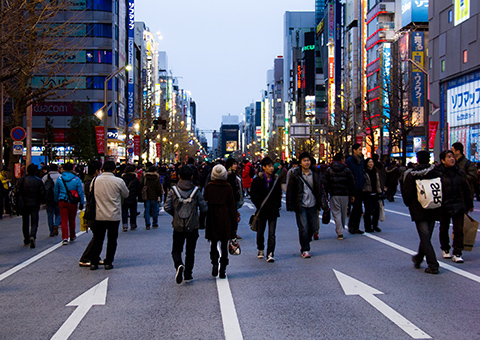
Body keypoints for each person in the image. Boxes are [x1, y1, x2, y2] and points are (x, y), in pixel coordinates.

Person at [165, 166, 207, 284]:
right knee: (190, 250)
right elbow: (204, 207)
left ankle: (179, 264)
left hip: (178, 225)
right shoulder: (196, 191)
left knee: (176, 250)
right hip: (192, 225)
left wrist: (176, 215)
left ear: (179, 176)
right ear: (192, 177)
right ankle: (188, 274)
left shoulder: (173, 190)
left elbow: (167, 207)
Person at [403, 150, 442, 274]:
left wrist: (409, 203)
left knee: (424, 236)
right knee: (426, 235)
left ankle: (433, 264)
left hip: (418, 208)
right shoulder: (436, 172)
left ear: (418, 159)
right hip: (433, 205)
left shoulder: (411, 174)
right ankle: (419, 257)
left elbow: (407, 193)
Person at [286, 152, 327, 258]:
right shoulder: (295, 174)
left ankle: (306, 241)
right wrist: (290, 204)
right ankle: (305, 249)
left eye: (308, 160)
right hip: (301, 204)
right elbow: (290, 190)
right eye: (304, 160)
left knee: (313, 227)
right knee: (303, 227)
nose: (307, 162)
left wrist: (324, 203)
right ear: (300, 162)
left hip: (313, 203)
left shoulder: (316, 173)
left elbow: (320, 189)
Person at [89, 161, 129, 270]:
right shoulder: (118, 181)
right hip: (113, 214)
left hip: (99, 213)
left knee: (98, 239)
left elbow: (91, 192)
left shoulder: (95, 180)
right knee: (112, 239)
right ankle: (108, 262)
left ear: (102, 169)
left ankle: (93, 262)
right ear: (114, 169)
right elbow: (126, 194)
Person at [437, 150, 474, 263]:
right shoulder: (438, 173)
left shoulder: (460, 172)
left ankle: (457, 252)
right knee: (444, 228)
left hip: (458, 204)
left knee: (458, 229)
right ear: (443, 160)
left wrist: (469, 204)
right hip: (444, 205)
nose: (452, 159)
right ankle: (445, 249)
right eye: (448, 157)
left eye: (452, 156)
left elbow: (466, 189)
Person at [203, 164, 238, 279]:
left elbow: (204, 204)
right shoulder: (228, 187)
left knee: (213, 243)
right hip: (225, 217)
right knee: (224, 244)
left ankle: (214, 263)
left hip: (212, 217)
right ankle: (223, 267)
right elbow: (232, 207)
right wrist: (234, 224)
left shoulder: (209, 187)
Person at [250, 157, 282, 262]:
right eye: (269, 166)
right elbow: (253, 195)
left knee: (272, 233)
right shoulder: (257, 180)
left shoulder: (276, 180)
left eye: (272, 166)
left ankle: (270, 253)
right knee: (260, 231)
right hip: (262, 209)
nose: (271, 168)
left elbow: (279, 194)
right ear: (263, 167)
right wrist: (259, 205)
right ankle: (260, 249)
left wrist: (277, 205)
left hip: (273, 210)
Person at [324, 153, 355, 239]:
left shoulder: (329, 170)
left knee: (336, 212)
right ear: (342, 159)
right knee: (343, 212)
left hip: (334, 194)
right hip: (345, 194)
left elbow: (326, 183)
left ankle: (339, 231)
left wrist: (326, 194)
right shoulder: (347, 170)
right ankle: (342, 229)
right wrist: (352, 194)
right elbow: (351, 183)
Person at [79, 160, 102, 267]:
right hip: (93, 212)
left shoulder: (89, 180)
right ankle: (85, 257)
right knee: (97, 236)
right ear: (96, 170)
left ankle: (95, 256)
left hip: (93, 210)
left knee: (98, 235)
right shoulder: (91, 182)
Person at [54, 162, 84, 245]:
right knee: (72, 219)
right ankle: (72, 235)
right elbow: (80, 192)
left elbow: (56, 190)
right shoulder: (76, 179)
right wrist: (82, 202)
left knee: (63, 220)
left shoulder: (60, 179)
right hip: (73, 201)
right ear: (73, 168)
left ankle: (64, 237)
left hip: (62, 200)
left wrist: (56, 200)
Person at [17, 164, 46, 248]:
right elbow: (42, 193)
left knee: (25, 222)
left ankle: (26, 239)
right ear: (35, 171)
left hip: (24, 203)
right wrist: (41, 201)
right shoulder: (38, 181)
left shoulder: (22, 180)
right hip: (34, 203)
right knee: (34, 222)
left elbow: (17, 192)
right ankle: (32, 235)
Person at [345, 143, 365, 234]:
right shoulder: (349, 161)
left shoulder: (361, 160)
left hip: (361, 186)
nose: (361, 151)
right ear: (354, 150)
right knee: (356, 207)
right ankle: (352, 226)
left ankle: (356, 226)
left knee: (359, 209)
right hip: (353, 187)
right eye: (359, 149)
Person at [140, 166, 164, 230]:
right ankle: (154, 223)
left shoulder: (145, 177)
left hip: (146, 195)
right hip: (154, 195)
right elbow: (159, 187)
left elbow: (141, 184)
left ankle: (147, 223)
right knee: (154, 210)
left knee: (147, 210)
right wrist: (159, 194)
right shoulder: (156, 178)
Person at [363, 158, 382, 233]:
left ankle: (375, 225)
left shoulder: (375, 171)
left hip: (375, 192)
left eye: (372, 162)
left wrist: (379, 191)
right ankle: (368, 227)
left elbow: (378, 182)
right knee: (368, 210)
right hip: (367, 192)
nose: (371, 163)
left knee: (377, 210)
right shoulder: (364, 172)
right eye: (369, 162)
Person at [43, 164, 61, 237]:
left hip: (49, 198)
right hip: (59, 197)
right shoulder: (60, 177)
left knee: (50, 214)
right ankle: (56, 224)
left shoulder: (45, 177)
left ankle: (51, 231)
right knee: (59, 213)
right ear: (57, 169)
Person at [121, 165, 140, 232]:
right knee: (133, 212)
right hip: (133, 197)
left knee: (124, 212)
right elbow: (138, 189)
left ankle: (125, 225)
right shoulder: (135, 178)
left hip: (124, 197)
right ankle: (133, 224)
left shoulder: (122, 179)